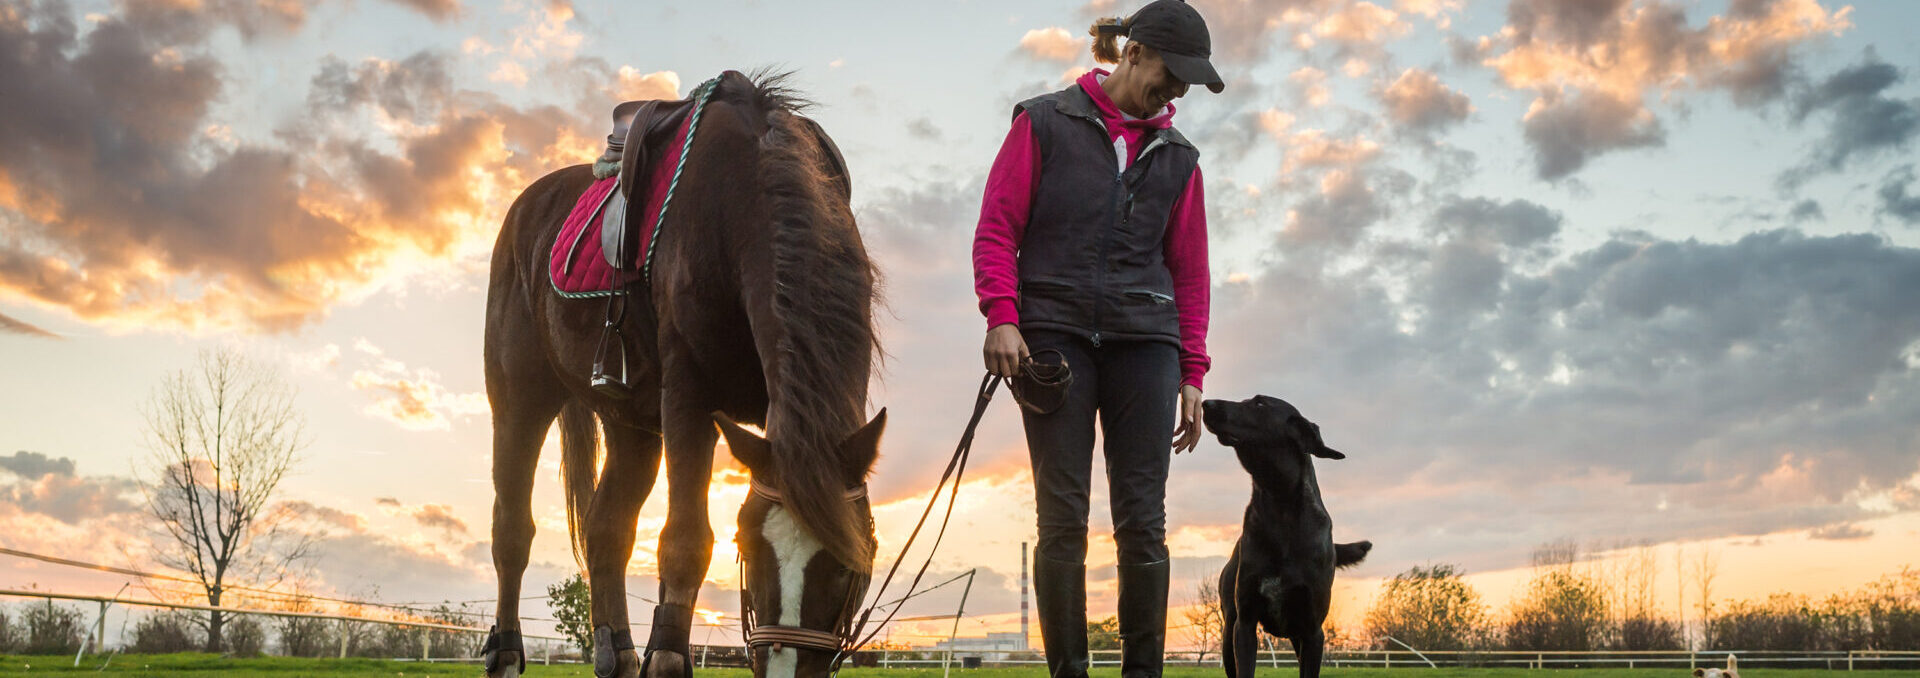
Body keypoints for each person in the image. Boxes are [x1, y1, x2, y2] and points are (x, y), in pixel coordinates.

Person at [971, 2, 1221, 677]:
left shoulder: (1181, 160)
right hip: (1052, 338)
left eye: (1190, 84)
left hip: (1148, 343)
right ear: (1134, 53)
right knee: (1063, 519)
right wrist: (1002, 314)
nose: (1179, 92)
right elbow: (998, 226)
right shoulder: (1044, 122)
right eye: (1174, 74)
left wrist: (1192, 373)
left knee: (1144, 520)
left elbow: (1190, 272)